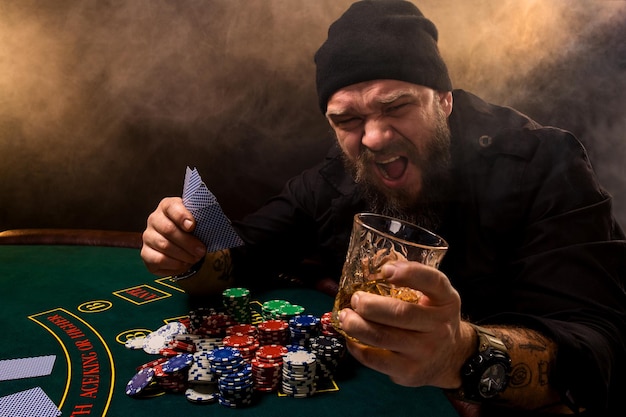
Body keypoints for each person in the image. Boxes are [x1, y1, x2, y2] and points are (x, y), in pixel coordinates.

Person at [140, 1, 626, 415]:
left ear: (444, 100)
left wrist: (461, 352)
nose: (372, 137)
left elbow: (601, 346)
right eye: (348, 119)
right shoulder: (332, 178)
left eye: (396, 107)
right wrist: (188, 249)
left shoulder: (544, 162)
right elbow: (239, 256)